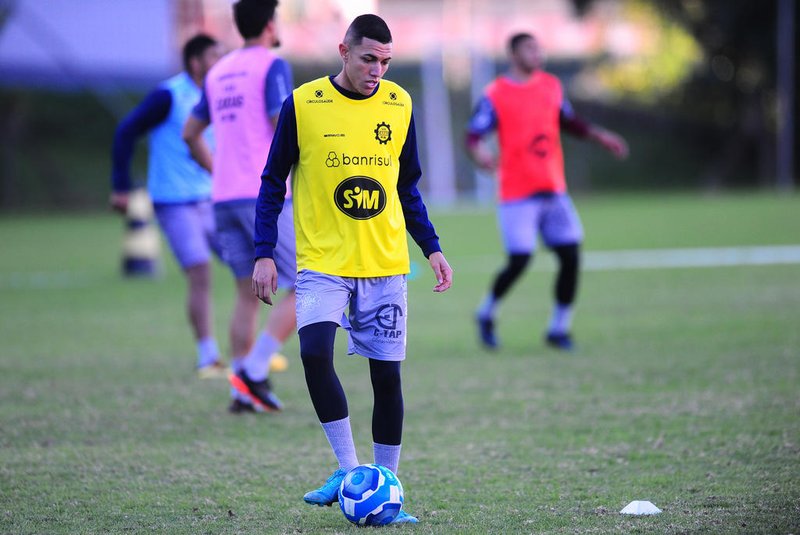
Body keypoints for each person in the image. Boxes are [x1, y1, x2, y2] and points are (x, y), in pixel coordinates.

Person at [252, 14, 453, 524]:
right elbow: (273, 180)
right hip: (322, 263)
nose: (377, 70)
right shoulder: (303, 103)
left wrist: (431, 247)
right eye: (368, 59)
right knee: (314, 353)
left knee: (387, 380)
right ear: (343, 51)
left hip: (385, 265)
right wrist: (262, 252)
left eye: (386, 61)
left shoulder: (400, 103)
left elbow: (406, 187)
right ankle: (348, 469)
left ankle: (390, 488)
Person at [466, 32, 628, 351]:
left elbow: (569, 121)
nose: (537, 54)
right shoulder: (496, 93)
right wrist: (481, 154)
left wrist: (601, 136)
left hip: (553, 188)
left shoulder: (551, 85)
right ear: (513, 54)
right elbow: (474, 133)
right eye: (530, 49)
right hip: (516, 191)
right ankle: (486, 312)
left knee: (570, 255)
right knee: (521, 259)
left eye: (539, 48)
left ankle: (559, 328)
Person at [183, 0, 296, 414]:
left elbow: (190, 132)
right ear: (270, 24)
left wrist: (218, 172)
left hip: (225, 198)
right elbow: (280, 122)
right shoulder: (271, 64)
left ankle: (239, 390)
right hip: (262, 197)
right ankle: (255, 369)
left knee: (248, 295)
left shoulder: (218, 71)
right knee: (309, 283)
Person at [111, 34, 227, 378]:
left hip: (213, 198)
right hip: (174, 200)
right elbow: (126, 131)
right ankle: (208, 356)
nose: (221, 64)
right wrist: (119, 186)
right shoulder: (169, 95)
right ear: (195, 62)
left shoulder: (220, 93)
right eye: (214, 57)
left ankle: (252, 356)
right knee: (201, 272)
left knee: (249, 265)